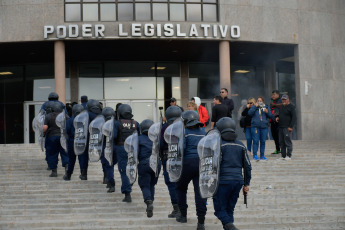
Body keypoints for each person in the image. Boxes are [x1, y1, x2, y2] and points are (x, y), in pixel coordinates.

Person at [213, 117, 252, 230]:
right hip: (237, 181)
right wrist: (246, 183)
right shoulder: (241, 145)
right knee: (230, 209)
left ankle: (231, 227)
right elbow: (248, 166)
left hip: (223, 181)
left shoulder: (218, 145)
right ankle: (229, 226)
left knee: (219, 209)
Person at [175, 110, 207, 230]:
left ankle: (183, 215)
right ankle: (201, 222)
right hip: (201, 164)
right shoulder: (203, 132)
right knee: (200, 193)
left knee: (180, 188)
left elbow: (181, 149)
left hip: (187, 164)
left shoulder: (184, 132)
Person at [113, 104, 140, 202]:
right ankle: (129, 183)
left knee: (124, 171)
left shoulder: (117, 123)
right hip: (133, 149)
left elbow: (114, 137)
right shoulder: (136, 123)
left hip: (121, 148)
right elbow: (139, 137)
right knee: (132, 168)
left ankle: (127, 192)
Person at [160, 105, 182, 218]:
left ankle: (177, 208)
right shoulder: (184, 126)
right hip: (182, 158)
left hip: (168, 157)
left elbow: (161, 144)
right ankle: (182, 208)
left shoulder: (164, 127)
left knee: (171, 183)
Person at [137, 119, 161, 218]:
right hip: (156, 163)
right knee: (152, 184)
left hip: (144, 163)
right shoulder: (157, 138)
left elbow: (135, 152)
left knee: (144, 185)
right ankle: (151, 201)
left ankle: (148, 201)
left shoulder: (138, 138)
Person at [43, 101, 69, 177]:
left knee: (52, 154)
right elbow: (70, 124)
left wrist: (42, 132)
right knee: (65, 153)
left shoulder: (48, 116)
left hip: (52, 137)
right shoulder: (65, 116)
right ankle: (67, 168)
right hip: (63, 137)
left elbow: (45, 127)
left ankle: (54, 171)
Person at [79, 99, 103, 180]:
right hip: (100, 139)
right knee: (104, 157)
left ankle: (84, 173)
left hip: (87, 139)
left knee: (84, 157)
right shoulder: (102, 115)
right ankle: (106, 176)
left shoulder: (85, 115)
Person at [248, 96, 273, 161]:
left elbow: (271, 116)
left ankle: (262, 155)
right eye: (258, 101)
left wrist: (267, 112)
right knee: (255, 141)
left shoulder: (266, 107)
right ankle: (255, 155)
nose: (259, 102)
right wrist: (255, 106)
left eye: (260, 101)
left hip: (264, 127)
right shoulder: (254, 107)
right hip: (255, 126)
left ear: (263, 102)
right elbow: (249, 113)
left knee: (263, 141)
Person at [63, 104, 85, 181]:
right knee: (82, 158)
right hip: (82, 141)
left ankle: (68, 175)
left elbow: (66, 131)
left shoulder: (69, 121)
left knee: (71, 159)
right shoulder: (84, 121)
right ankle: (83, 174)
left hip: (72, 141)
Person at [100, 107, 116, 190]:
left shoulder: (102, 124)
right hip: (114, 146)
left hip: (105, 146)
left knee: (106, 163)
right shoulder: (116, 123)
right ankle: (108, 178)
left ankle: (107, 177)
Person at [276, 94, 296, 160]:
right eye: (282, 99)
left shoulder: (291, 107)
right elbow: (280, 114)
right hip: (281, 127)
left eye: (285, 99)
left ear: (288, 99)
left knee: (287, 141)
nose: (283, 101)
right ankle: (283, 156)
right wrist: (278, 118)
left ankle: (289, 155)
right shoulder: (282, 107)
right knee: (281, 142)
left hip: (287, 127)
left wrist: (291, 126)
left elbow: (294, 117)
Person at [270, 90, 282, 155]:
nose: (273, 96)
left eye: (274, 94)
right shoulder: (272, 101)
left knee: (279, 136)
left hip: (278, 121)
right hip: (272, 121)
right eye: (272, 94)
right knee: (274, 136)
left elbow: (282, 106)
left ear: (278, 95)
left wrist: (274, 105)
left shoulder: (280, 100)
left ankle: (281, 149)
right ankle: (277, 149)